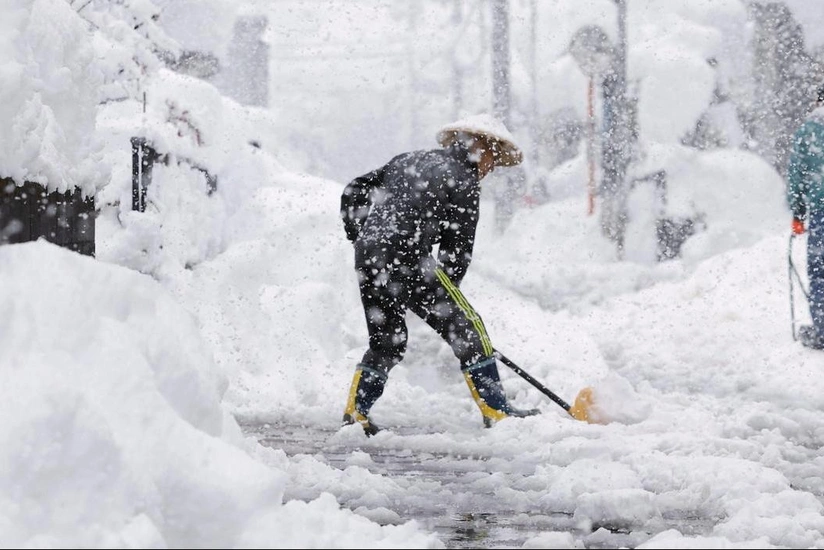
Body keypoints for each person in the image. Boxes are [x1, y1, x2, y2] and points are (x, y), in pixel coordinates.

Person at [339, 114, 540, 435]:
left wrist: (361, 236)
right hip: (409, 258)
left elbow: (354, 189)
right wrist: (447, 303)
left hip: (369, 257)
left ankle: (356, 411)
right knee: (470, 328)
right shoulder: (463, 179)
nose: (490, 170)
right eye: (493, 161)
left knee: (387, 341)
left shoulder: (409, 160)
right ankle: (496, 410)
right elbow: (456, 252)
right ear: (483, 149)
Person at [787, 83, 824, 350]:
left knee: (820, 271)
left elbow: (797, 176)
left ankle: (822, 329)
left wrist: (798, 213)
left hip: (821, 211)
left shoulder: (808, 132)